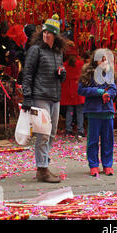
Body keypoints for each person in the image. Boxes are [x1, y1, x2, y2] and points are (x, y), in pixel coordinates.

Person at [21, 14, 67, 183]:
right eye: (45, 32)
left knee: (52, 133)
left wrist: (62, 75)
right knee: (43, 133)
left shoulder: (58, 52)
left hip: (55, 96)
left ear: (56, 35)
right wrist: (27, 96)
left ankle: (44, 164)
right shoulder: (36, 50)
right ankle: (42, 168)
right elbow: (27, 74)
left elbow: (59, 70)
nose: (47, 35)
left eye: (50, 33)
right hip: (40, 96)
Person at [78, 50, 117, 176]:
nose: (104, 62)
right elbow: (81, 90)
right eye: (102, 59)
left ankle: (107, 165)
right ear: (96, 60)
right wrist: (98, 92)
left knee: (108, 140)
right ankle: (93, 165)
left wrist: (108, 94)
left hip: (107, 111)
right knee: (93, 140)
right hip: (93, 111)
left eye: (106, 59)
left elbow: (113, 88)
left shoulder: (109, 73)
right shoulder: (88, 74)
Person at [60, 45, 85, 141]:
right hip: (78, 89)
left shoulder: (65, 64)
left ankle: (68, 129)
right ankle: (80, 130)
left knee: (69, 111)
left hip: (69, 89)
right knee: (79, 111)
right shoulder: (80, 63)